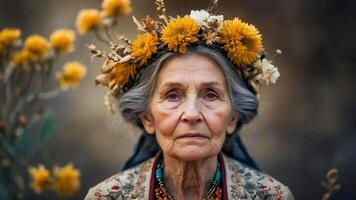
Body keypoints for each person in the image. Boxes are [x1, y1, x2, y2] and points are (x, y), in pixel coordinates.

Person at [84, 2, 294, 200]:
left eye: (211, 94)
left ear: (233, 118)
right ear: (148, 118)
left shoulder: (273, 196)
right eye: (172, 95)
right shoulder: (105, 197)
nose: (192, 114)